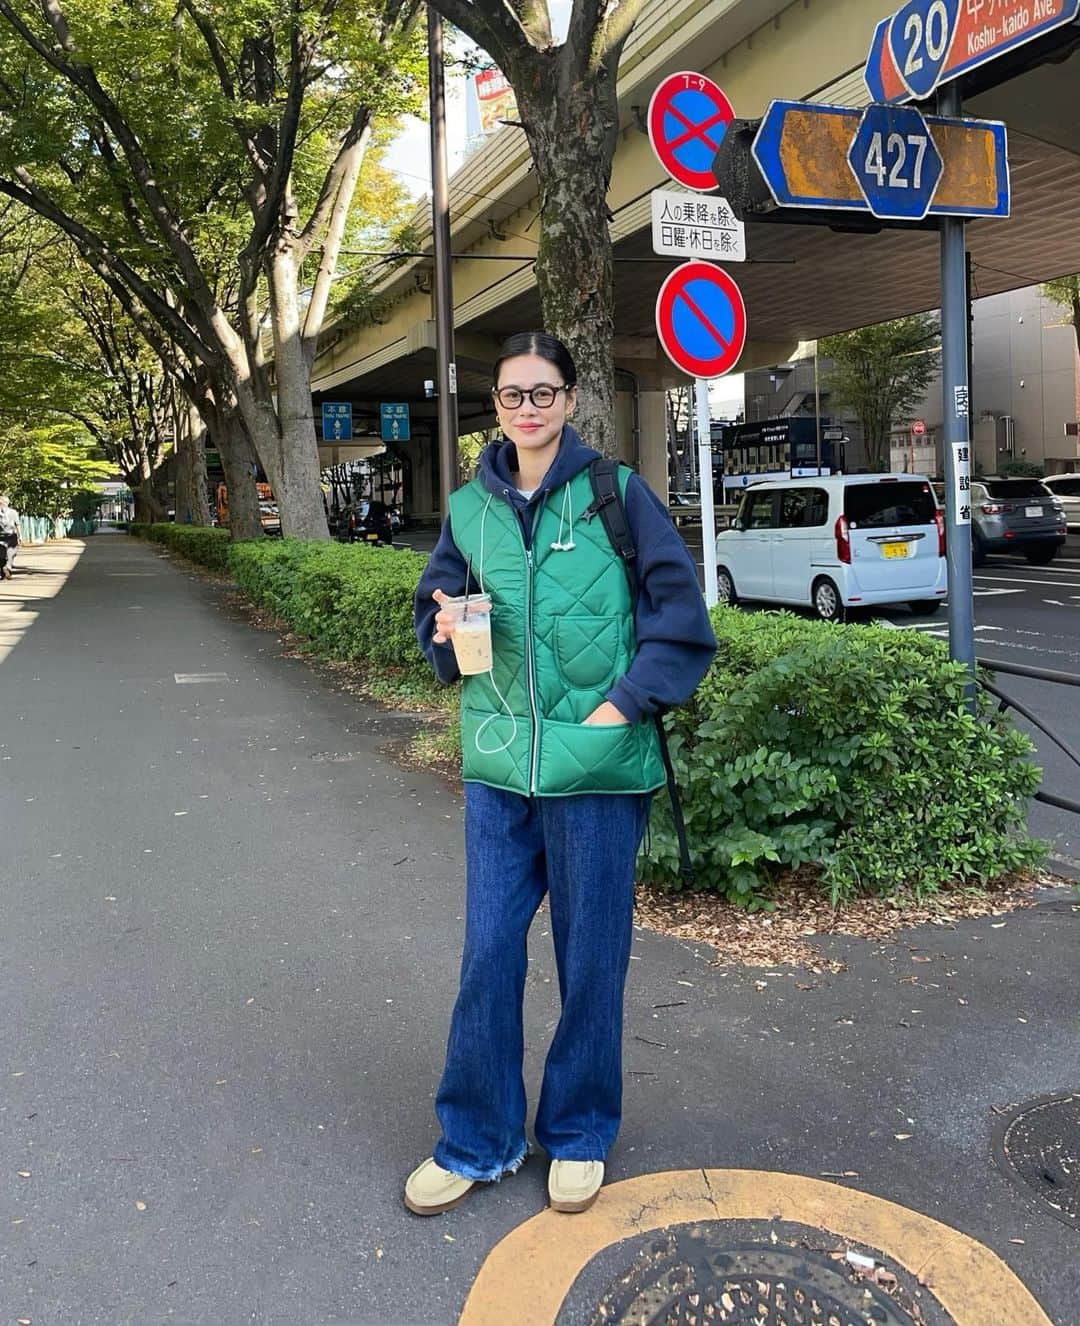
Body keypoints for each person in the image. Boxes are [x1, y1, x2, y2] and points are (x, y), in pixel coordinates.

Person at [408, 332, 716, 1217]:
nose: (528, 409)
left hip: (599, 777)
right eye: (512, 395)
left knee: (592, 963)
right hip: (498, 769)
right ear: (496, 406)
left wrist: (620, 707)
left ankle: (578, 1132)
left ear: (570, 401)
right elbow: (435, 604)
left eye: (544, 393)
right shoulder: (471, 509)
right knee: (488, 957)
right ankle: (477, 1136)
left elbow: (680, 618)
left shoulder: (619, 495)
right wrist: (440, 629)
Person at [0, 493, 20, 579]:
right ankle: (5, 568)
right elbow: (18, 525)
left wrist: (20, 535)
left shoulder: (13, 512)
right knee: (5, 555)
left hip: (10, 536)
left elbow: (18, 524)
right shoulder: (13, 512)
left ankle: (6, 568)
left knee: (8, 554)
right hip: (5, 536)